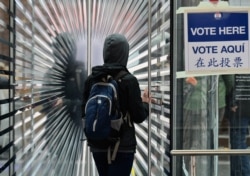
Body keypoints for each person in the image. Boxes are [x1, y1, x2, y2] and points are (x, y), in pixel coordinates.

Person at [82, 33, 152, 176]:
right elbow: (139, 116)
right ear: (124, 53)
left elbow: (83, 111)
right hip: (122, 145)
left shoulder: (92, 79)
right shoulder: (129, 80)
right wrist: (145, 103)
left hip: (98, 143)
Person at [228, 74, 250, 176]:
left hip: (242, 105)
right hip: (245, 103)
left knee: (238, 140)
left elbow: (241, 79)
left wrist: (234, 101)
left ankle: (243, 172)